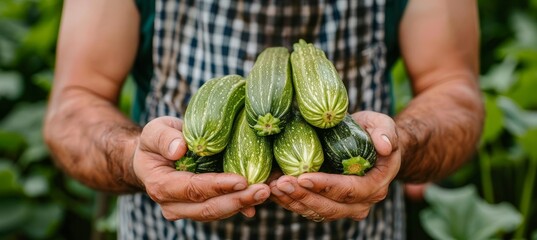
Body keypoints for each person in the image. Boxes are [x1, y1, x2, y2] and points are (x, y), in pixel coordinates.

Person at [44, 0, 483, 239]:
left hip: (359, 228)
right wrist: (131, 157)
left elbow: (453, 89)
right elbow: (74, 104)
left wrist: (400, 146)